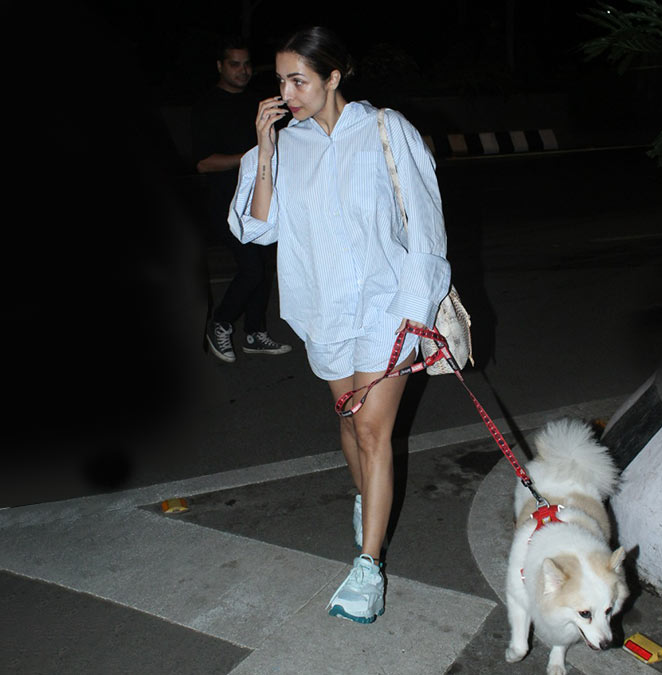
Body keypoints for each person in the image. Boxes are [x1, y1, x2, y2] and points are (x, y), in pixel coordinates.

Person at [229, 27, 451, 624]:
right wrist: (266, 153)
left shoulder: (385, 130)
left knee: (375, 431)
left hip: (388, 307)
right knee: (351, 424)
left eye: (298, 80)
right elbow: (257, 229)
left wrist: (417, 313)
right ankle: (367, 498)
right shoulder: (285, 144)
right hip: (322, 309)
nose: (286, 93)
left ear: (333, 77)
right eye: (280, 80)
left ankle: (368, 567)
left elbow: (425, 222)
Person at [192, 37, 292, 363]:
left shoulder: (257, 103)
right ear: (220, 66)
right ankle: (220, 322)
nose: (243, 70)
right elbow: (203, 163)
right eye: (234, 64)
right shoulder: (207, 106)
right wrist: (253, 156)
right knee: (252, 270)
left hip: (260, 200)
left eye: (247, 64)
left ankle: (254, 332)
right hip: (226, 205)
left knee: (263, 267)